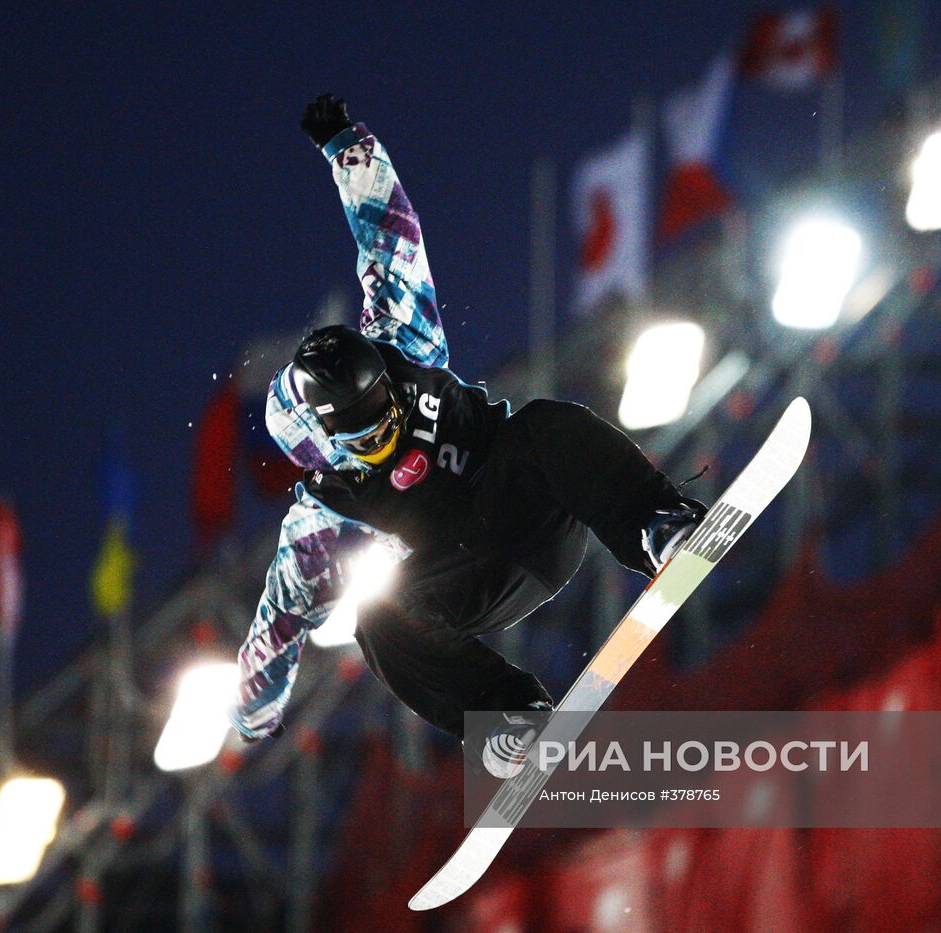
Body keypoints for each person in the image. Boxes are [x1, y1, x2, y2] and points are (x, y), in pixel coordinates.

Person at [231, 95, 706, 777]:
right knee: (378, 621)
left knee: (544, 423)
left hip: (533, 502)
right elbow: (277, 625)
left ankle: (656, 524)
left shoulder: (406, 339)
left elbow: (390, 234)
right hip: (471, 574)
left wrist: (347, 147)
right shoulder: (321, 517)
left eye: (390, 414)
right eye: (368, 441)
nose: (389, 438)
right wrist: (252, 710)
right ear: (330, 443)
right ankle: (507, 715)